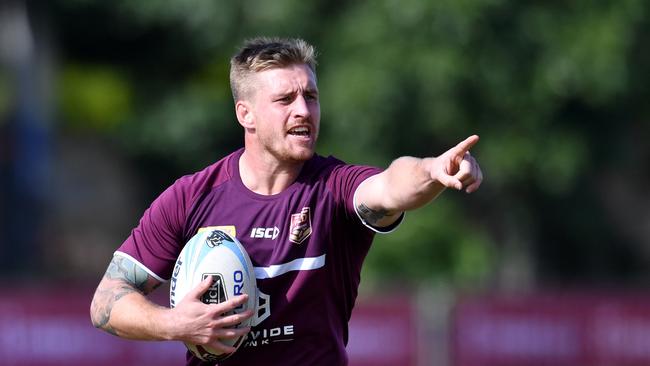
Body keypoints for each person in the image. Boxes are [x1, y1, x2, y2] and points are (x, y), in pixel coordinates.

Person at [90, 37, 483, 366]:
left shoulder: (333, 187)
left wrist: (432, 170)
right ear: (246, 114)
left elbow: (391, 186)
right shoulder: (190, 197)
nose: (303, 110)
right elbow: (107, 300)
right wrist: (177, 324)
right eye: (285, 99)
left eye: (310, 96)